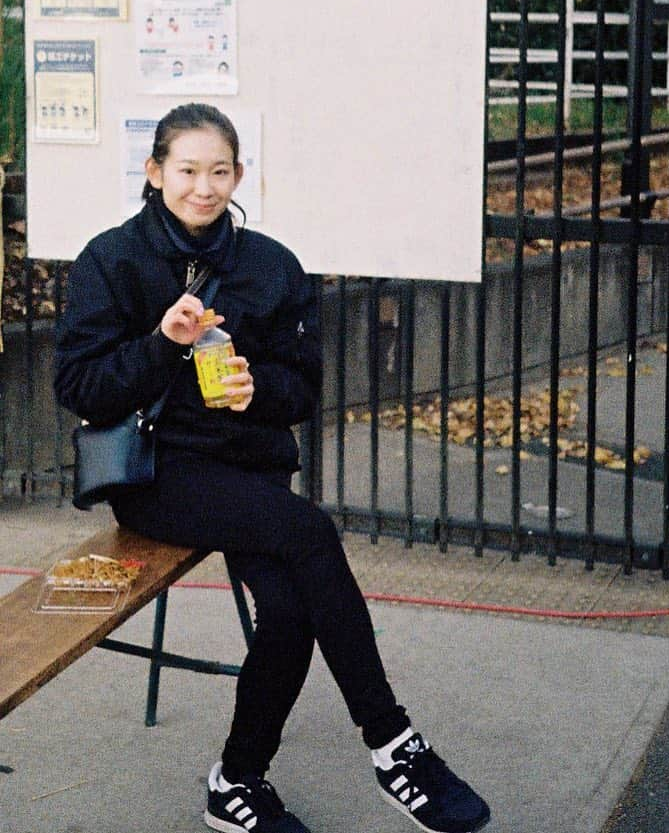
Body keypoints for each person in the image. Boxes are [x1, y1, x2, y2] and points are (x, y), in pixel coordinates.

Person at [54, 103, 491, 833]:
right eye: (187, 170)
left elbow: (304, 387)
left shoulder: (272, 265)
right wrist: (162, 341)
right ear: (155, 170)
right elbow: (81, 389)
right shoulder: (112, 260)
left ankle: (236, 783)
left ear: (239, 175)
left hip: (249, 468)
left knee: (289, 612)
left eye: (218, 171)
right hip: (159, 475)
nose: (203, 187)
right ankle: (393, 744)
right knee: (309, 532)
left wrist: (259, 390)